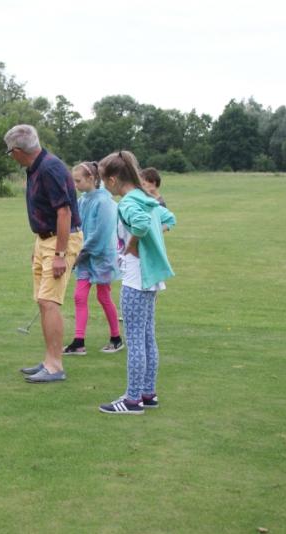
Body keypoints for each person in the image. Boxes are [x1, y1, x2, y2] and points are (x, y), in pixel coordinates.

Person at [97, 150, 175, 415]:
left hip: (136, 278)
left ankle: (132, 400)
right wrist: (150, 239)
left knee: (136, 340)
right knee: (147, 337)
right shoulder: (145, 197)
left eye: (105, 180)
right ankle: (147, 393)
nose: (105, 186)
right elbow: (168, 218)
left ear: (114, 178)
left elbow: (142, 224)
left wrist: (133, 244)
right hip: (150, 278)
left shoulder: (129, 202)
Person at [4, 124, 83, 383]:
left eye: (10, 152)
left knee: (50, 302)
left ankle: (55, 366)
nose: (10, 156)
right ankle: (49, 359)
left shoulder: (50, 168)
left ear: (17, 150)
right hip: (44, 240)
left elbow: (65, 212)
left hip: (61, 240)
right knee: (42, 300)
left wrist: (59, 253)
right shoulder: (35, 167)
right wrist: (39, 244)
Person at [64, 161, 123, 357]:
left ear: (91, 178)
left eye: (78, 180)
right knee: (79, 296)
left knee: (103, 296)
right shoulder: (83, 200)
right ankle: (79, 341)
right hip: (84, 256)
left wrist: (83, 251)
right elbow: (77, 226)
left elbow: (101, 233)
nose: (75, 184)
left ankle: (116, 338)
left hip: (101, 256)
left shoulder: (105, 201)